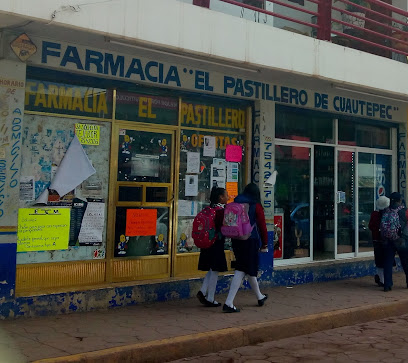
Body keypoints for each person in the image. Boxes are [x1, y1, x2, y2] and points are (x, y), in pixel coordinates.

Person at [223, 183, 268, 313]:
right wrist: (265, 243)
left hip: (236, 239)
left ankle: (260, 296)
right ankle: (229, 302)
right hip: (250, 239)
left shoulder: (236, 201)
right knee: (242, 268)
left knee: (248, 267)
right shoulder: (256, 205)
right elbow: (262, 226)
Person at [196, 187, 229, 307]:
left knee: (211, 269)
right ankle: (210, 298)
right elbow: (224, 227)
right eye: (226, 195)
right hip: (216, 243)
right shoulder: (220, 211)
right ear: (221, 197)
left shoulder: (209, 208)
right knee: (215, 270)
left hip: (208, 242)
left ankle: (203, 291)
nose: (228, 197)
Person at [383, 192, 408, 292]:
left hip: (388, 240)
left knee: (388, 263)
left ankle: (387, 285)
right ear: (400, 200)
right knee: (406, 262)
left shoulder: (386, 211)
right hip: (402, 240)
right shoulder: (405, 211)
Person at [368, 196, 390, 287]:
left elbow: (370, 226)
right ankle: (386, 280)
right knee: (387, 259)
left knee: (379, 259)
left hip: (377, 239)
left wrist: (376, 230)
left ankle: (381, 279)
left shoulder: (374, 214)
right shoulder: (389, 214)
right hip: (387, 240)